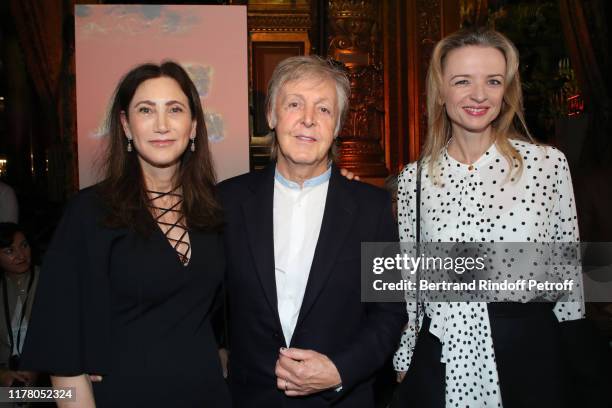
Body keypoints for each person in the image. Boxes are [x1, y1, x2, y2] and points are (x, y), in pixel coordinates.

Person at [390, 28, 601, 408]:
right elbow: (411, 282)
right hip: (440, 356)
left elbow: (569, 281)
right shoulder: (414, 179)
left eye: (493, 81)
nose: (478, 95)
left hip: (530, 355)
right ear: (441, 91)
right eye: (462, 81)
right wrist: (405, 356)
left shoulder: (547, 166)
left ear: (506, 90)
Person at [19, 62, 231, 407]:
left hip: (207, 393)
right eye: (145, 110)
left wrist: (349, 194)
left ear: (193, 126)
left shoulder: (214, 210)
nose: (161, 125)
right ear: (125, 125)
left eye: (175, 110)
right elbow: (62, 347)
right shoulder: (89, 213)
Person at [218, 55, 406, 408]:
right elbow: (201, 297)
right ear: (271, 115)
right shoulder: (226, 202)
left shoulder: (372, 209)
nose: (308, 119)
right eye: (294, 104)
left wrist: (339, 370)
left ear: (337, 126)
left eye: (323, 109)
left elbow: (390, 312)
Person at [0, 224, 39, 397]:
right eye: (9, 250)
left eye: (24, 245)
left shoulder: (50, 280)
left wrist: (38, 368)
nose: (20, 255)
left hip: (47, 373)